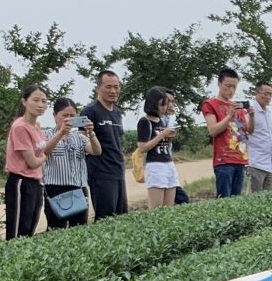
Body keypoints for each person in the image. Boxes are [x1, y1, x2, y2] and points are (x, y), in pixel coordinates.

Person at [4, 84, 64, 239]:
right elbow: (33, 162)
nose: (40, 105)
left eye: (44, 101)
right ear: (24, 102)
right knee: (18, 232)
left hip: (36, 182)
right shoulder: (20, 127)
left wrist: (61, 132)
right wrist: (44, 157)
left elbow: (44, 150)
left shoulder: (36, 126)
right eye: (36, 100)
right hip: (20, 182)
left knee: (30, 228)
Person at [43, 96, 98, 228]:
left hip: (79, 188)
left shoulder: (79, 137)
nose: (68, 119)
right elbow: (44, 151)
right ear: (55, 116)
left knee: (79, 228)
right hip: (56, 188)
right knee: (56, 229)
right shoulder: (46, 134)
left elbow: (96, 151)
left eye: (72, 115)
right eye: (64, 115)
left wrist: (91, 133)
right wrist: (61, 132)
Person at [83, 69, 129, 219]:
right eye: (108, 87)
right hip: (100, 173)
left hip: (118, 170)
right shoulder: (90, 111)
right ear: (98, 88)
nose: (113, 91)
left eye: (116, 87)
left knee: (121, 216)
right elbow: (81, 140)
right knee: (106, 218)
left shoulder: (117, 112)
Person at [201, 68, 252, 197]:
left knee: (236, 200)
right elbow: (212, 131)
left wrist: (252, 116)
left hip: (240, 159)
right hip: (223, 160)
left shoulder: (238, 107)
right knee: (224, 201)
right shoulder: (210, 104)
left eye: (234, 87)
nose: (231, 90)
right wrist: (230, 116)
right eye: (227, 86)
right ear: (219, 84)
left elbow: (248, 130)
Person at [137, 87, 180, 210]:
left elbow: (161, 143)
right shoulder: (145, 122)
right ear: (153, 104)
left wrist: (168, 137)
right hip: (155, 165)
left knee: (168, 209)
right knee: (156, 210)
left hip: (168, 164)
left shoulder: (162, 121)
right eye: (162, 105)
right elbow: (142, 147)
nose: (165, 108)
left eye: (166, 104)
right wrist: (162, 135)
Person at [241, 81, 272, 193]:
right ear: (256, 93)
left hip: (268, 162)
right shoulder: (249, 111)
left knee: (267, 198)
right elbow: (246, 132)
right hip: (255, 162)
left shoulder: (268, 112)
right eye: (265, 94)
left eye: (270, 94)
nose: (268, 97)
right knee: (253, 198)